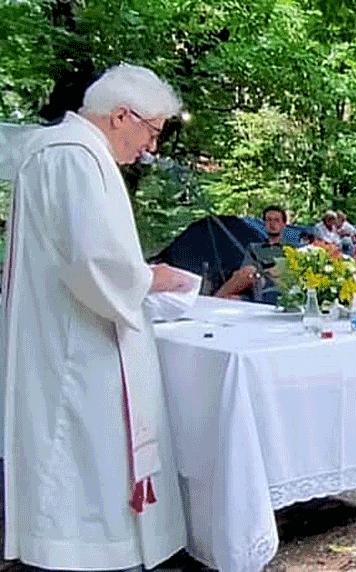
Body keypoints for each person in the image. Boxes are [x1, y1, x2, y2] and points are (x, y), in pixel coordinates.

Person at [0, 64, 188, 570]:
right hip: (77, 343)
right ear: (121, 115)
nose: (150, 148)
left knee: (78, 459)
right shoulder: (73, 156)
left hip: (62, 330)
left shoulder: (57, 149)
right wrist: (152, 278)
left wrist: (135, 274)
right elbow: (92, 259)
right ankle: (82, 559)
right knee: (83, 460)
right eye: (151, 132)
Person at [215, 205, 291, 304]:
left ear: (283, 224)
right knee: (230, 298)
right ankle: (213, 303)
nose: (272, 224)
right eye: (269, 220)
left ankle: (211, 301)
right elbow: (246, 270)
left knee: (249, 272)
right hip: (255, 284)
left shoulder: (290, 249)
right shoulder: (254, 247)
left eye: (277, 220)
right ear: (264, 223)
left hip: (276, 287)